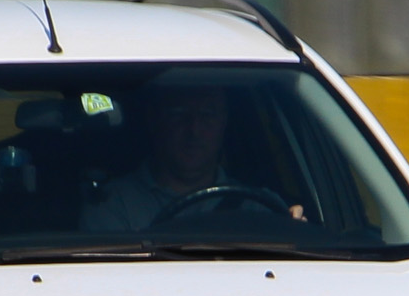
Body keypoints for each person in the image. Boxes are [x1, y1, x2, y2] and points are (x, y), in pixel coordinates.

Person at [83, 80, 292, 231]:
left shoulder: (259, 207)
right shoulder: (114, 204)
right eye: (178, 114)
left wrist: (294, 230)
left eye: (207, 115)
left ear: (224, 122)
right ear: (154, 120)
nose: (194, 130)